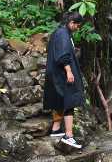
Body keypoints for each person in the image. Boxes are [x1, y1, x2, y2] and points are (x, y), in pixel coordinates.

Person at [43, 10, 89, 151]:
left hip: (55, 73)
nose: (78, 28)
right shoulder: (63, 34)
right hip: (62, 73)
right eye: (77, 25)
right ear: (71, 23)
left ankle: (56, 129)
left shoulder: (59, 32)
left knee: (59, 99)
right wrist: (69, 71)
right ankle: (69, 136)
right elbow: (63, 54)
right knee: (70, 101)